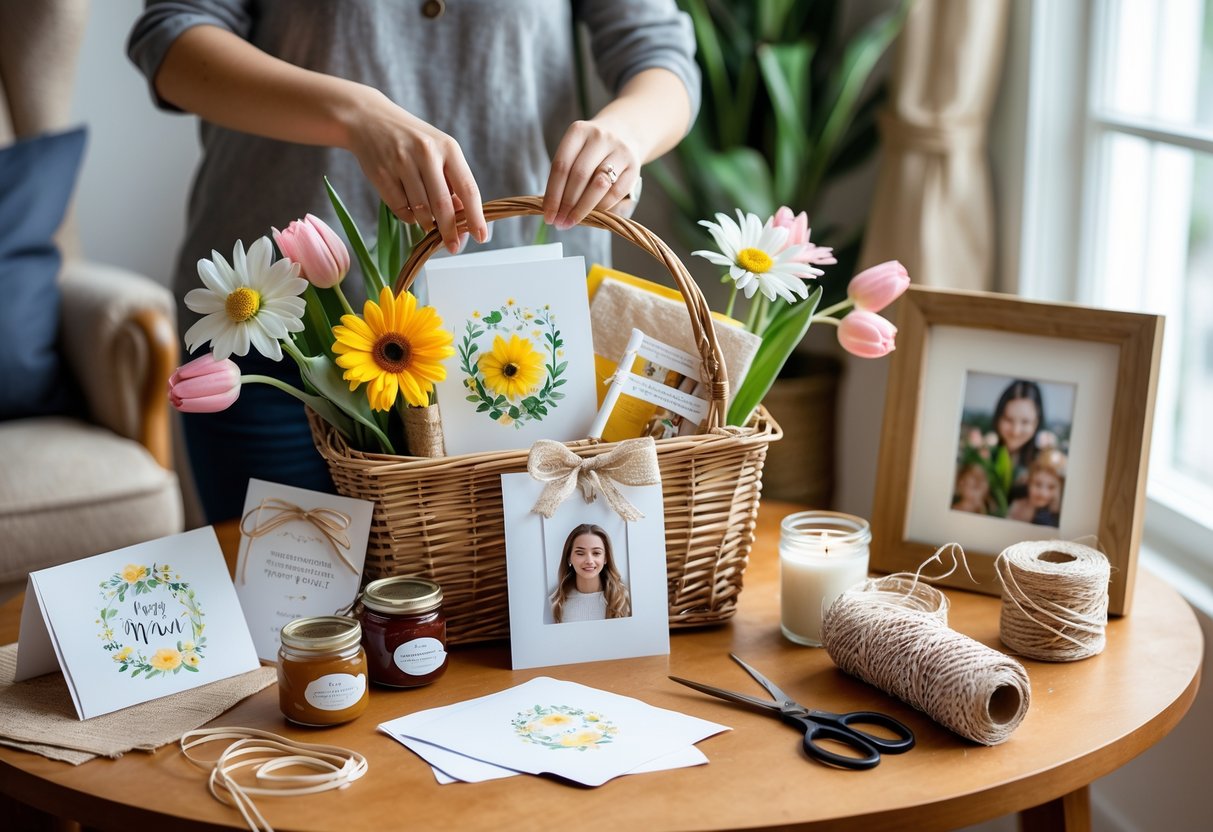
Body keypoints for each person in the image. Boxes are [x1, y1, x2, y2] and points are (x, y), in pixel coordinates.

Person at [126, 1, 700, 523]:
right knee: (288, 621)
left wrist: (626, 134)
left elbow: (661, 54)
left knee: (496, 620)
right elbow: (172, 39)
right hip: (278, 328)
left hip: (514, 338)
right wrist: (353, 111)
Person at [550, 524, 631, 623]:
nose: (589, 561)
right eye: (580, 553)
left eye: (596, 553)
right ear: (569, 557)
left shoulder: (623, 598)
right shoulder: (555, 602)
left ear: (606, 558)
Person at [990, 379, 1045, 504]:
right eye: (1009, 419)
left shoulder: (1044, 464)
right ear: (998, 418)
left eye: (1025, 422)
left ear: (1037, 422)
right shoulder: (984, 455)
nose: (1016, 431)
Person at [1008, 449, 1065, 527]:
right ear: (1029, 482)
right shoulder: (1014, 502)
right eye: (1038, 484)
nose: (1043, 493)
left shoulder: (1054, 518)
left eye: (1051, 487)